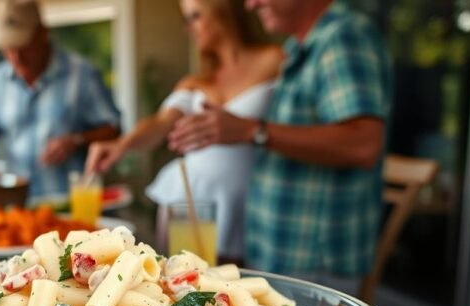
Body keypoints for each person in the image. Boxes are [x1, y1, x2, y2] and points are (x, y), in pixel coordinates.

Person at [168, 0, 392, 279]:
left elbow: (363, 144)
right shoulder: (299, 49)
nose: (251, 4)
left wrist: (250, 130)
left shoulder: (344, 38)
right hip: (277, 255)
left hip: (312, 263)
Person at [87, 0, 281, 262]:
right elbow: (160, 124)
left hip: (251, 203)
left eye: (195, 17)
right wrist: (122, 144)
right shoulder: (196, 82)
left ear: (223, 11)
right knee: (189, 285)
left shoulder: (276, 61)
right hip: (191, 203)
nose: (188, 28)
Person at [0, 0, 121, 199]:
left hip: (70, 202)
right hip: (17, 204)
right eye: (8, 48)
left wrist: (76, 140)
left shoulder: (82, 74)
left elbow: (113, 129)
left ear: (43, 34)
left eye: (23, 46)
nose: (16, 57)